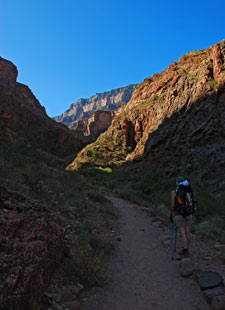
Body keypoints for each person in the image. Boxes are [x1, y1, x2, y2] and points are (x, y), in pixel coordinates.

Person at [169, 176, 193, 258]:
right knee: (188, 232)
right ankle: (186, 249)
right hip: (189, 213)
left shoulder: (174, 192)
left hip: (179, 214)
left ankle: (185, 250)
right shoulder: (188, 191)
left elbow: (172, 206)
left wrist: (171, 215)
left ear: (177, 183)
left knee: (183, 233)